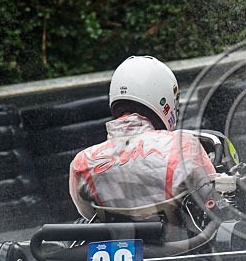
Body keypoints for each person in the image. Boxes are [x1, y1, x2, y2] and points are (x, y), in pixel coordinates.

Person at [69, 56, 217, 221]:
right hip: (183, 244)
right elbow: (212, 200)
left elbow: (90, 215)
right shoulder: (183, 145)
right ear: (163, 97)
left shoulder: (82, 162)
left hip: (115, 242)